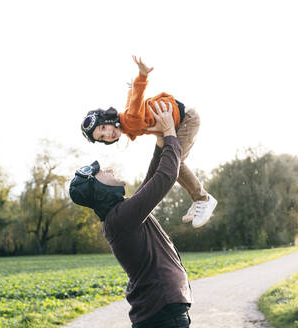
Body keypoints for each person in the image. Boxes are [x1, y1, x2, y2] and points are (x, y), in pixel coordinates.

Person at [70, 102, 192, 327]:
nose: (108, 171)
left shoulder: (119, 215)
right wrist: (169, 133)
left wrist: (160, 143)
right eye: (101, 174)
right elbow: (165, 176)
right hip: (163, 313)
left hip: (160, 311)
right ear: (99, 191)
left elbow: (150, 180)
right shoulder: (121, 218)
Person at [80, 56, 217, 229]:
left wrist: (142, 76)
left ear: (106, 119)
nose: (108, 134)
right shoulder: (127, 121)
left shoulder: (130, 120)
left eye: (103, 128)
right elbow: (132, 100)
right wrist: (131, 90)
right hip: (182, 119)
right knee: (170, 162)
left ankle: (203, 199)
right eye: (102, 137)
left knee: (176, 162)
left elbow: (137, 100)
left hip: (186, 120)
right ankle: (197, 198)